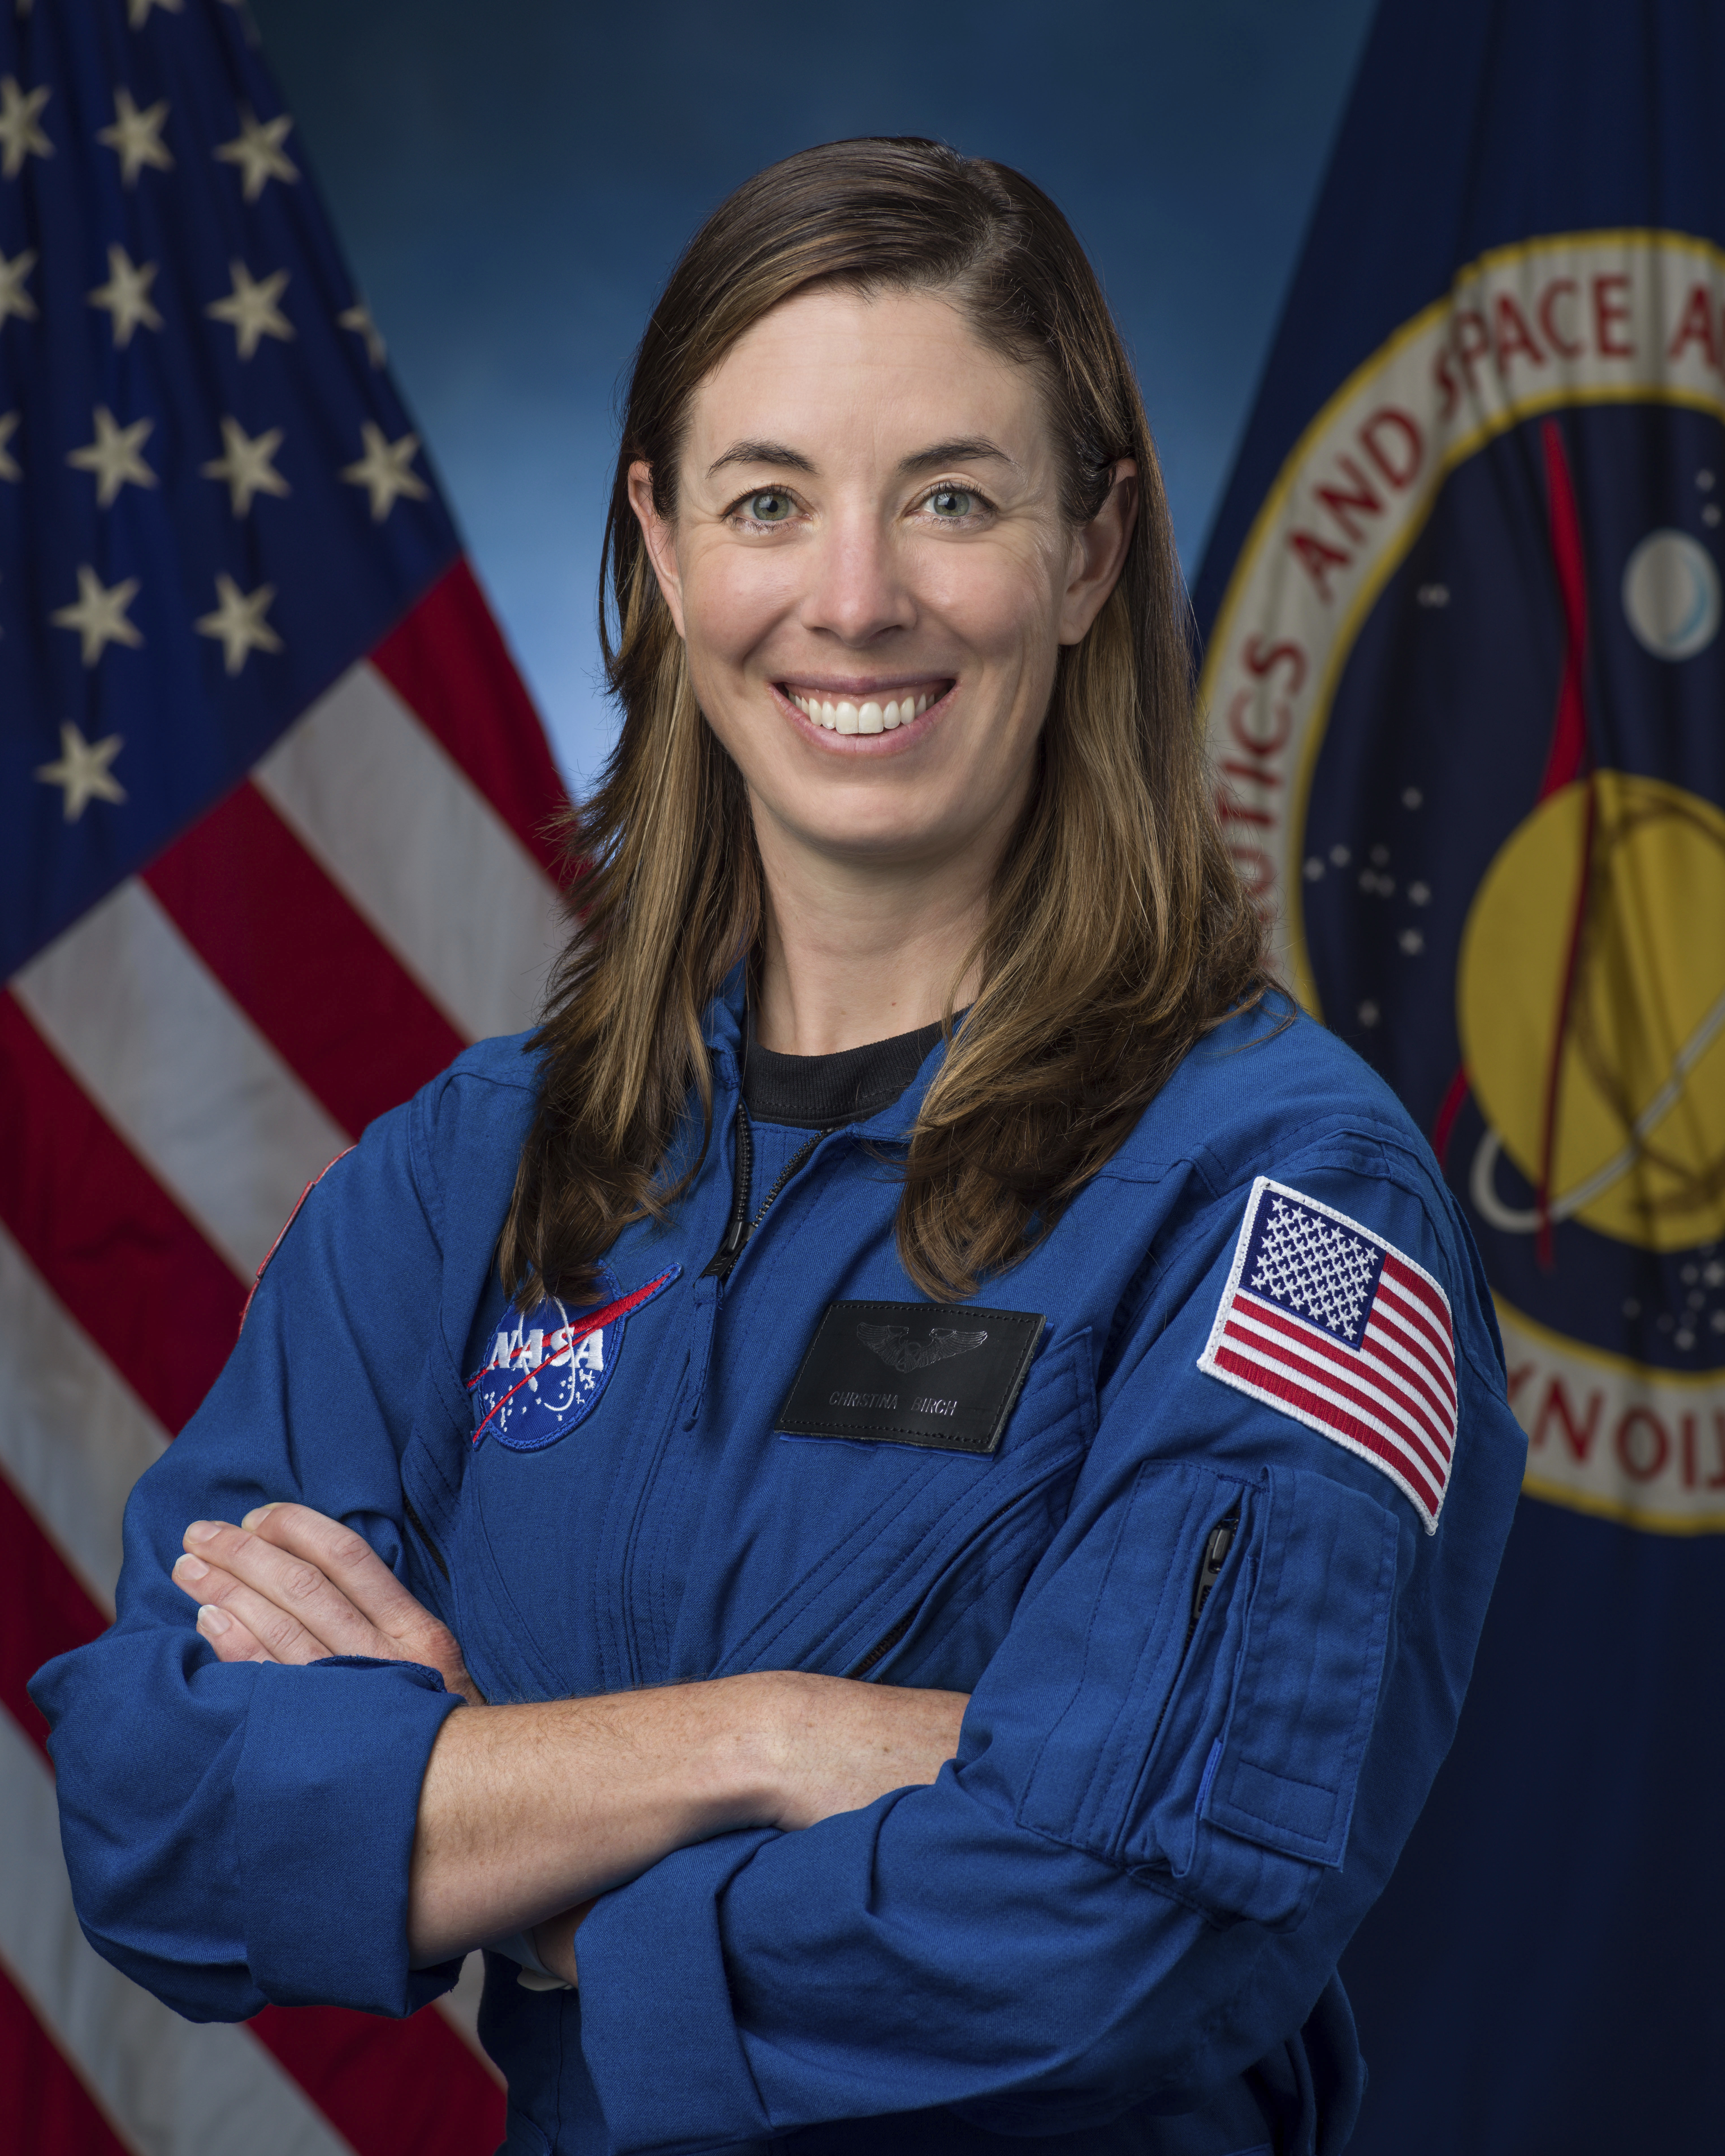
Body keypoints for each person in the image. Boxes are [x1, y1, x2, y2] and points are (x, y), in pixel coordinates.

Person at [33, 139, 1525, 2156]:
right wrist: (760, 1744)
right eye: (767, 501)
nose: (853, 599)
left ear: (1091, 551)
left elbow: (1129, 1923)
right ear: (661, 549)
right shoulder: (473, 1177)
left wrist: (516, 1854)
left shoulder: (1288, 1203)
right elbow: (156, 1808)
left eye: (951, 499)